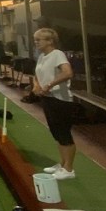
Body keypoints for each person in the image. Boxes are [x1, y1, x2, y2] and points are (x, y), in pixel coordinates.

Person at [32, 28, 77, 180]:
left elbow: (68, 73)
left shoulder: (57, 54)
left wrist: (50, 85)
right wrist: (36, 85)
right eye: (35, 39)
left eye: (39, 39)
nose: (36, 42)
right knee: (56, 133)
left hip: (61, 100)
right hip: (47, 98)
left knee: (64, 133)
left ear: (50, 41)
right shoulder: (41, 56)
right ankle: (63, 164)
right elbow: (37, 74)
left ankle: (69, 169)